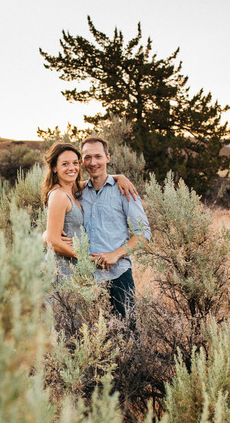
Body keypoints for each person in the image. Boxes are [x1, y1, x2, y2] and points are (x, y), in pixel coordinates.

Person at [78, 136, 150, 323]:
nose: (93, 162)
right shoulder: (77, 192)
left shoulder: (124, 190)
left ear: (107, 158)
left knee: (127, 336)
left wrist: (115, 255)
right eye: (87, 157)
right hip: (85, 279)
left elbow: (143, 234)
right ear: (81, 161)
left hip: (118, 276)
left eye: (98, 156)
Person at [41, 142, 86, 279]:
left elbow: (94, 183)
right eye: (65, 164)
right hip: (60, 270)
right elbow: (53, 241)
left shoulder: (71, 190)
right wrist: (86, 259)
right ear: (55, 168)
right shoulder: (59, 195)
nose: (72, 168)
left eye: (75, 163)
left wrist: (119, 178)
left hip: (72, 268)